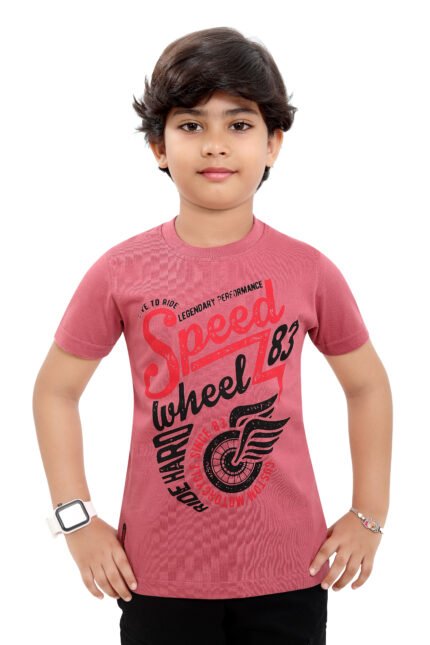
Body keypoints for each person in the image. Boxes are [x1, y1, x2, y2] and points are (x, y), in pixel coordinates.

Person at [33, 26, 393, 645]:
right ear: (158, 146)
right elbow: (54, 392)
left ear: (274, 143)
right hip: (156, 574)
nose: (216, 145)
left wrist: (371, 515)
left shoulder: (308, 270)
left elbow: (368, 387)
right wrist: (77, 520)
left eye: (240, 124)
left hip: (290, 570)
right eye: (191, 125)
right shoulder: (121, 270)